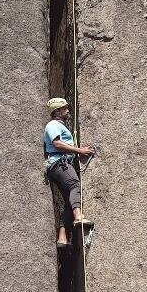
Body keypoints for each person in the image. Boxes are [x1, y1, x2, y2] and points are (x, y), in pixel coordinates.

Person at [44, 97, 95, 248]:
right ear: (57, 111)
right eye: (64, 108)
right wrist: (80, 151)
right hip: (60, 162)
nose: (67, 111)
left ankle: (62, 238)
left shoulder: (59, 125)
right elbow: (57, 144)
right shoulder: (53, 125)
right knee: (74, 185)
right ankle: (78, 216)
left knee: (68, 202)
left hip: (58, 164)